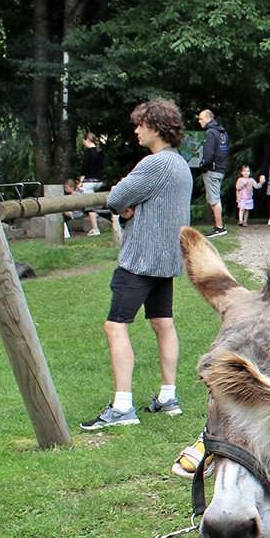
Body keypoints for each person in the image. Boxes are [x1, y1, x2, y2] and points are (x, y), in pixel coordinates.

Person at [80, 99, 193, 431]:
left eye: (140, 124)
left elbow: (116, 199)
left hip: (140, 259)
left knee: (116, 327)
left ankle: (122, 407)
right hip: (168, 260)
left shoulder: (153, 164)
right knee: (163, 323)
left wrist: (127, 208)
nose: (136, 130)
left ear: (155, 127)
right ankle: (168, 398)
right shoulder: (181, 165)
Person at [196, 109, 229, 237]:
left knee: (214, 199)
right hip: (221, 168)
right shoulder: (223, 132)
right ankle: (219, 226)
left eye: (201, 118)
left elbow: (208, 154)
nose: (199, 121)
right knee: (215, 197)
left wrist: (203, 166)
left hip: (212, 169)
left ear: (208, 118)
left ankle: (219, 227)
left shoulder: (211, 133)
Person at [76, 132, 106, 235]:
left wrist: (80, 182)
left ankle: (95, 229)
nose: (83, 143)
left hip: (89, 182)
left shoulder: (88, 152)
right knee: (94, 202)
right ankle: (97, 218)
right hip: (99, 181)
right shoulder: (99, 152)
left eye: (84, 141)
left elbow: (85, 168)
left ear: (87, 141)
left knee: (90, 205)